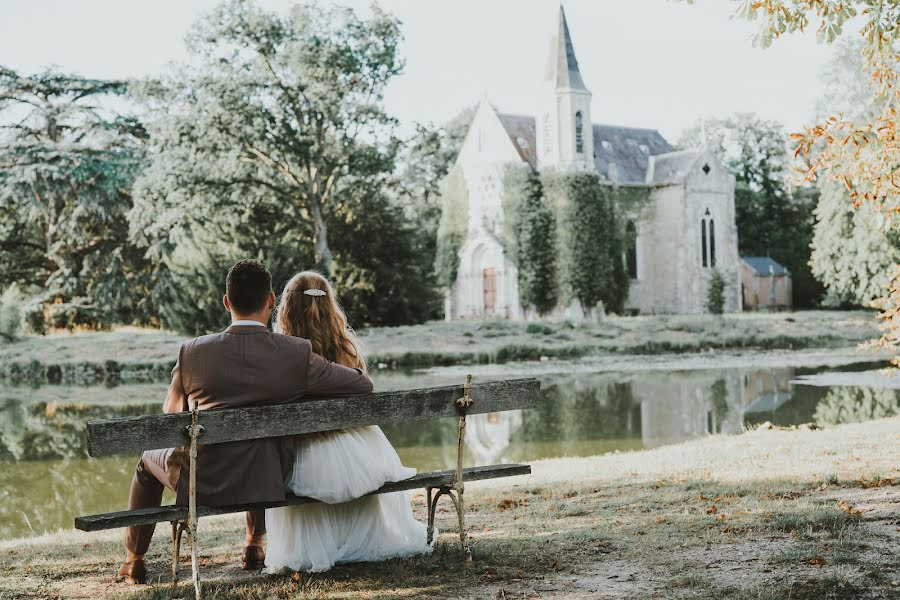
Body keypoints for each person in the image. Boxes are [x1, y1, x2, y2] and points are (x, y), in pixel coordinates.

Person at [117, 260, 373, 585]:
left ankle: (134, 559)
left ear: (226, 302)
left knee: (146, 461)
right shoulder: (295, 354)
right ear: (270, 301)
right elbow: (361, 384)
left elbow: (171, 417)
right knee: (257, 446)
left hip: (202, 481)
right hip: (267, 477)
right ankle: (254, 543)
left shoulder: (192, 353)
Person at [264, 271, 433, 573]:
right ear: (331, 307)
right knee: (359, 475)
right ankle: (358, 539)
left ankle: (317, 546)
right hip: (357, 455)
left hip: (308, 454)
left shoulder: (282, 354)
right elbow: (363, 387)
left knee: (301, 475)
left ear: (286, 309)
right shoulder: (347, 348)